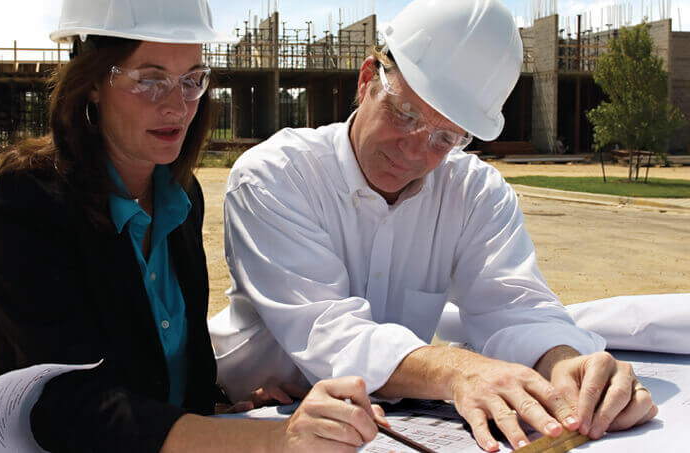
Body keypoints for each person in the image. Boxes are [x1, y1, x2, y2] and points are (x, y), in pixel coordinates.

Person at [209, 0, 658, 451]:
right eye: (405, 114)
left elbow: (514, 304)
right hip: (254, 413)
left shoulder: (473, 191)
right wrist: (457, 369)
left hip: (379, 422)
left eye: (445, 137)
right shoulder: (277, 175)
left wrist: (565, 362)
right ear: (368, 80)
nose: (415, 151)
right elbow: (325, 330)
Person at [0, 1, 388, 451]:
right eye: (150, 80)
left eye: (192, 80)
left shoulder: (181, 197)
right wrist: (269, 439)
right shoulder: (29, 206)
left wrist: (220, 410)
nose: (177, 104)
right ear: (92, 82)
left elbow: (167, 372)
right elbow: (70, 408)